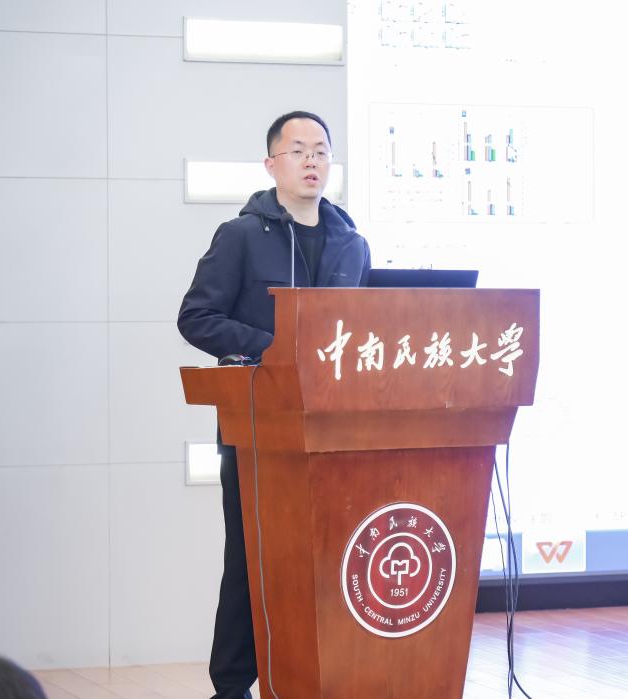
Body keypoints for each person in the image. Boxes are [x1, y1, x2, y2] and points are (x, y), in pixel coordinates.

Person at [178, 111, 370, 699]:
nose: (312, 161)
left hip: (334, 428)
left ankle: (317, 677)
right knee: (252, 557)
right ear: (272, 164)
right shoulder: (241, 235)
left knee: (330, 558)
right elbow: (197, 317)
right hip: (259, 424)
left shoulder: (352, 242)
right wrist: (272, 348)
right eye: (299, 150)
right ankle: (232, 686)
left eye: (321, 150)